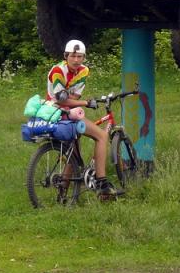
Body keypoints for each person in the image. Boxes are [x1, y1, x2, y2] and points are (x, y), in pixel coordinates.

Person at [46, 39, 124, 199]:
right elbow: (62, 100)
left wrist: (77, 103)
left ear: (84, 57)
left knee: (73, 150)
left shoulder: (83, 71)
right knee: (102, 136)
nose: (76, 60)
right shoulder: (57, 71)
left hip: (68, 113)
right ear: (66, 56)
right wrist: (86, 103)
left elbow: (72, 98)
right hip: (55, 113)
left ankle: (63, 194)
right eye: (73, 56)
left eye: (80, 56)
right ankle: (102, 184)